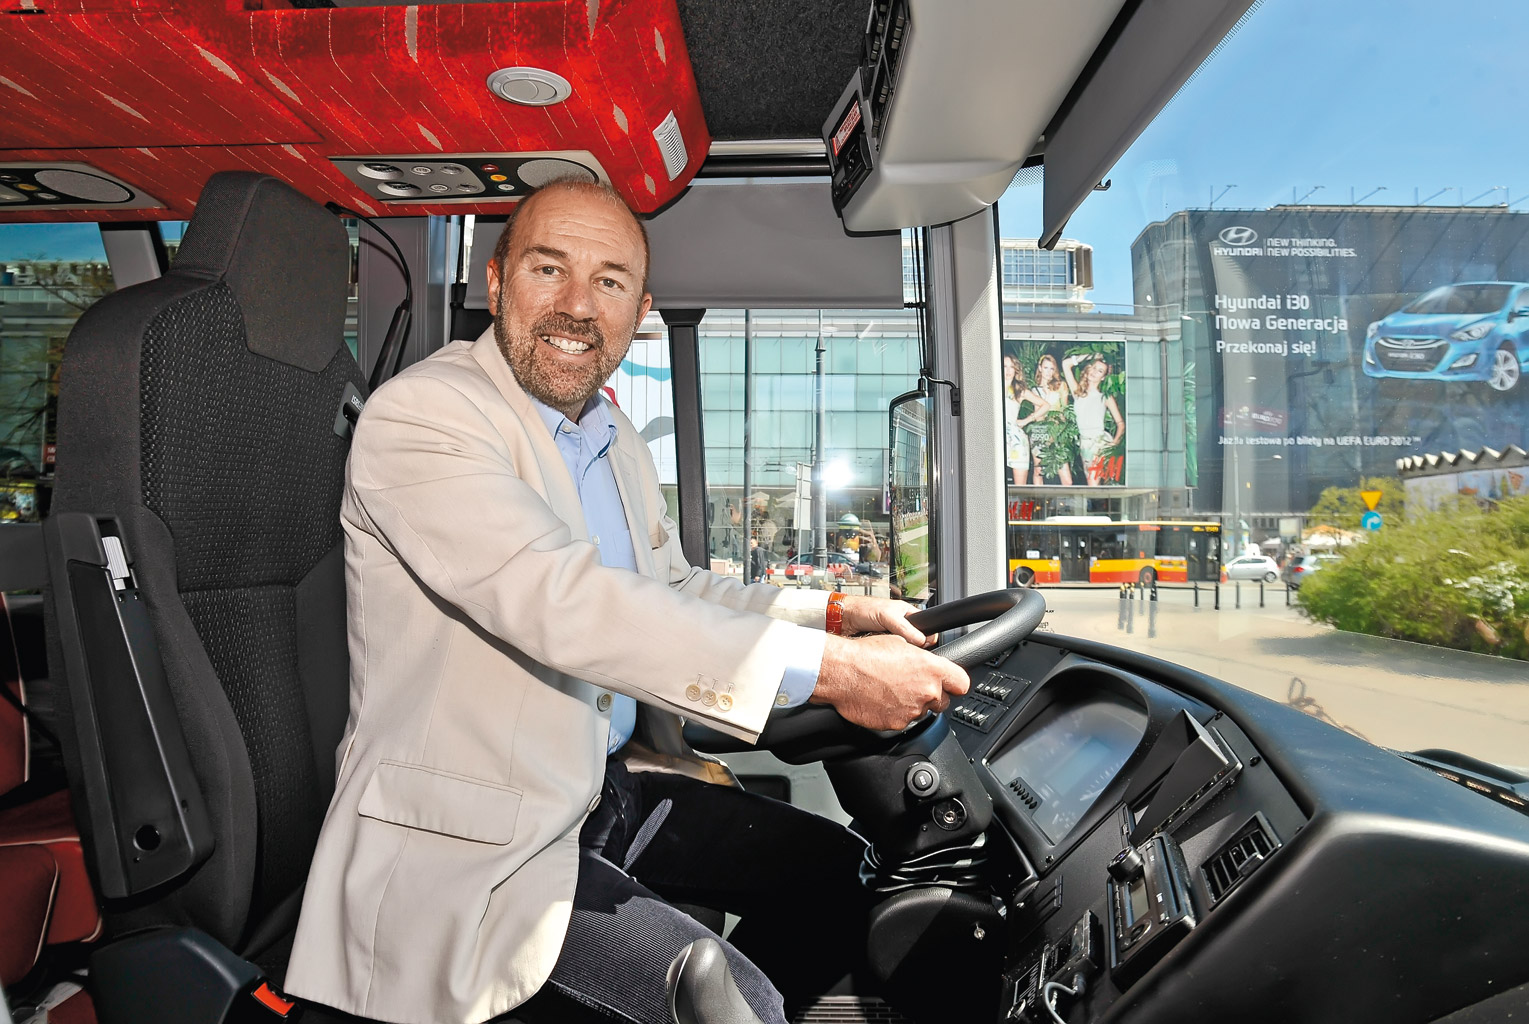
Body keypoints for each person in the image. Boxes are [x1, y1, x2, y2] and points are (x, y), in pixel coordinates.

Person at [286, 179, 969, 1024]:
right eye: (548, 269)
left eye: (608, 281)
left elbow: (669, 587)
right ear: (495, 283)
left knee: (841, 880)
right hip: (479, 843)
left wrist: (832, 616)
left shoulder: (612, 437)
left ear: (639, 311)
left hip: (600, 794)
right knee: (735, 1007)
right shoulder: (424, 416)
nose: (577, 306)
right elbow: (561, 600)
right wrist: (834, 672)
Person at [1063, 354, 1124, 486]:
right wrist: (1092, 355)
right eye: (1094, 367)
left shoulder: (1105, 397)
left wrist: (1114, 444)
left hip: (1100, 443)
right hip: (1085, 444)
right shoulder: (1078, 392)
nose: (1095, 372)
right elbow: (1066, 364)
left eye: (1100, 371)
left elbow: (1120, 424)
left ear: (1103, 377)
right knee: (1092, 484)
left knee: (1093, 481)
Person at [1025, 353, 1073, 486]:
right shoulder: (1034, 390)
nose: (1048, 372)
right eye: (1046, 368)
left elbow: (1064, 411)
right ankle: (1038, 499)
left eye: (1052, 368)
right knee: (1038, 471)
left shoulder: (1061, 386)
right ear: (1040, 368)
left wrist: (1059, 431)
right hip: (1039, 432)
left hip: (1057, 431)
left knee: (1066, 478)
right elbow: (1038, 416)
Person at [1001, 353, 1032, 485]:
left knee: (1020, 486)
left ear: (1016, 370)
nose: (1008, 370)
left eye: (1012, 367)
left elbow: (1045, 405)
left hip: (1016, 440)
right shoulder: (992, 389)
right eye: (1005, 366)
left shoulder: (1019, 390)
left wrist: (1026, 420)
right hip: (997, 437)